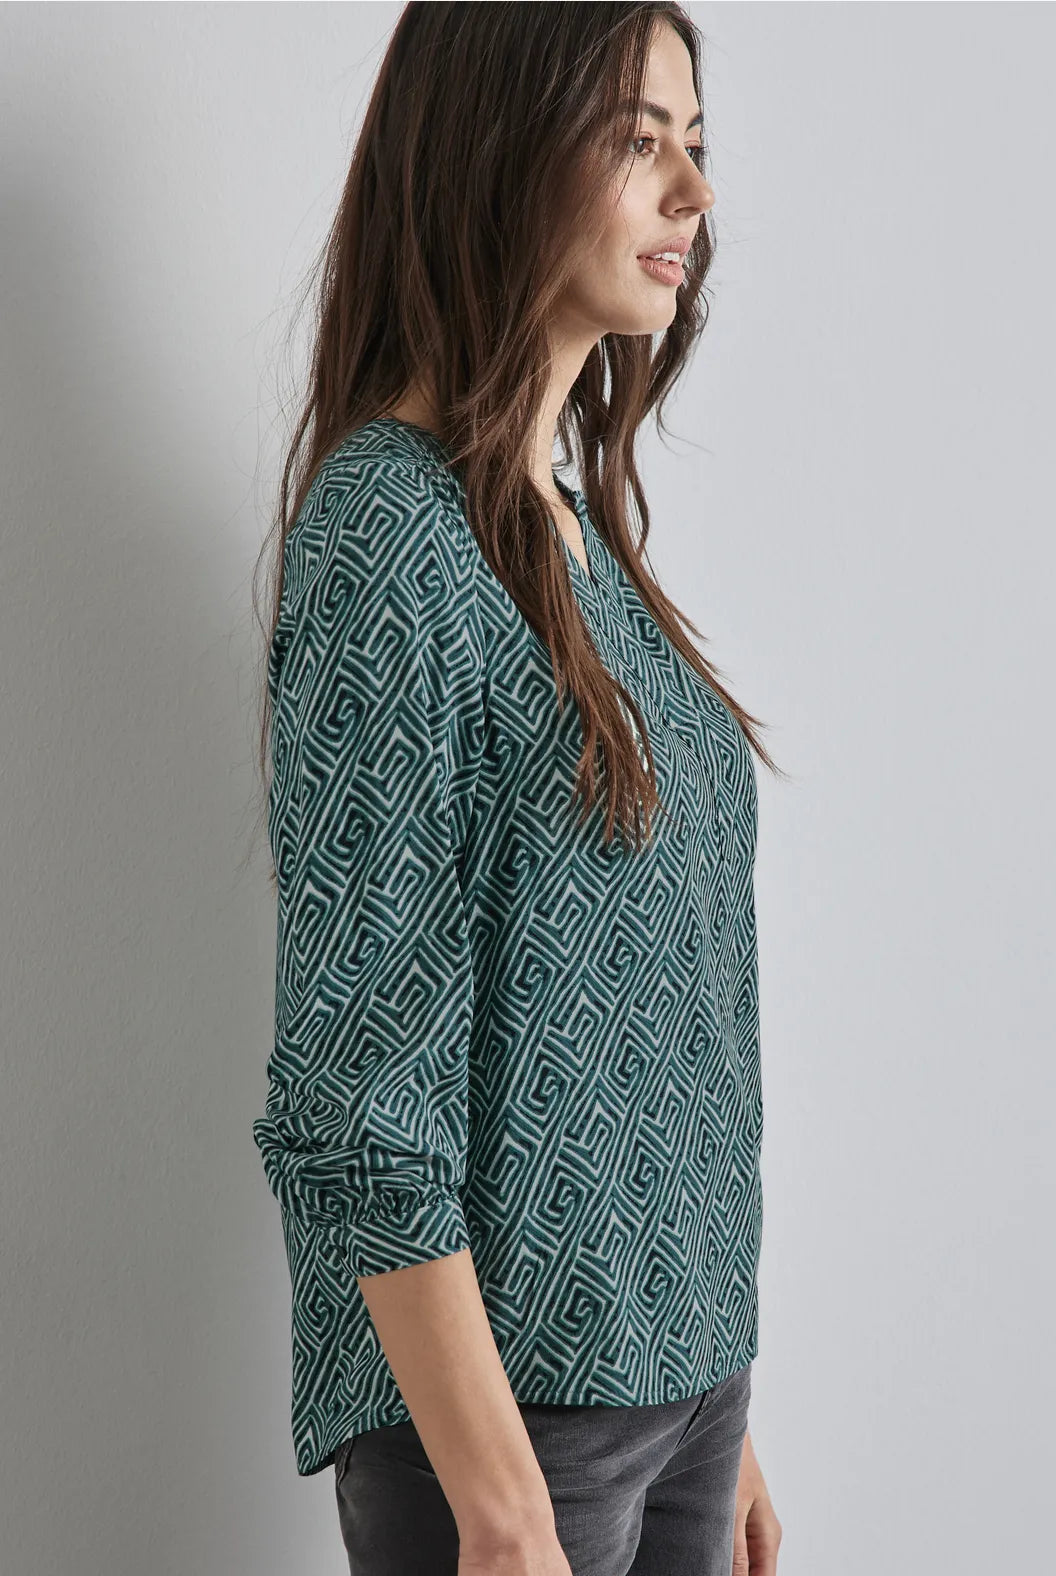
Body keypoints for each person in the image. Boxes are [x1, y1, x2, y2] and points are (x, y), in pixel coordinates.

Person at [251, 4, 785, 1572]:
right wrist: (494, 1502)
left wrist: (721, 1402)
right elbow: (353, 1094)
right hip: (516, 1433)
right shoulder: (387, 534)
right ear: (499, 146)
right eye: (636, 140)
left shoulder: (572, 530)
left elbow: (650, 1008)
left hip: (681, 1389)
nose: (692, 191)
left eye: (695, 143)